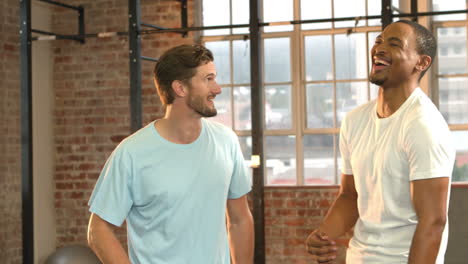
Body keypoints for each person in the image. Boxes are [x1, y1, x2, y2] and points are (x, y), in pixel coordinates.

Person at [87, 44, 254, 264]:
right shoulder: (132, 153)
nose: (217, 88)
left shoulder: (227, 141)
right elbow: (98, 230)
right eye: (208, 79)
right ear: (180, 88)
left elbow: (240, 219)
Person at [306, 20, 455, 264]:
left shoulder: (423, 126)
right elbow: (350, 196)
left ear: (422, 62)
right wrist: (324, 234)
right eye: (378, 41)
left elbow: (432, 223)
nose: (380, 48)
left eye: (394, 44)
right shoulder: (355, 121)